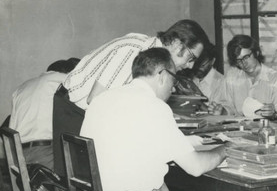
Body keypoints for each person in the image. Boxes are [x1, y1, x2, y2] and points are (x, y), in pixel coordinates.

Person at [80, 48, 241, 191]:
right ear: (162, 75)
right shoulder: (154, 106)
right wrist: (226, 149)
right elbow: (196, 167)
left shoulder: (101, 99)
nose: (173, 89)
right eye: (174, 80)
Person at [52, 19, 210, 175]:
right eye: (191, 58)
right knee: (86, 183)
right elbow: (96, 101)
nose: (190, 66)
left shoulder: (151, 58)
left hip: (87, 113)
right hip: (74, 111)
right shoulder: (134, 51)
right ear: (176, 43)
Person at [9, 57, 80, 169]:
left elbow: (11, 128)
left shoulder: (21, 87)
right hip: (46, 153)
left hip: (18, 156)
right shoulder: (65, 79)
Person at [224, 34, 277, 118]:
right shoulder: (232, 77)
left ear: (256, 52)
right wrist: (223, 111)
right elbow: (230, 109)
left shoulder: (276, 79)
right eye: (239, 60)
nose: (244, 63)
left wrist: (274, 114)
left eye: (246, 57)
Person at [190, 42, 227, 115]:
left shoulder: (221, 82)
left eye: (203, 65)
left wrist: (197, 102)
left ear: (212, 61)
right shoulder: (192, 80)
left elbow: (216, 113)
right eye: (196, 64)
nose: (198, 68)